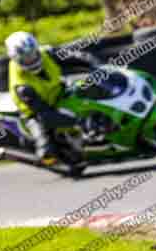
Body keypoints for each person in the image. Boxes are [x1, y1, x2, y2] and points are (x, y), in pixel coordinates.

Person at [6, 32, 100, 165]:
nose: (31, 59)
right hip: (36, 112)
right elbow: (45, 115)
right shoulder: (22, 87)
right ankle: (49, 159)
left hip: (59, 92)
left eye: (32, 54)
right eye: (26, 58)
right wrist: (78, 120)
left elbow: (75, 57)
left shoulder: (47, 52)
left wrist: (94, 64)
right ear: (16, 58)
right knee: (46, 148)